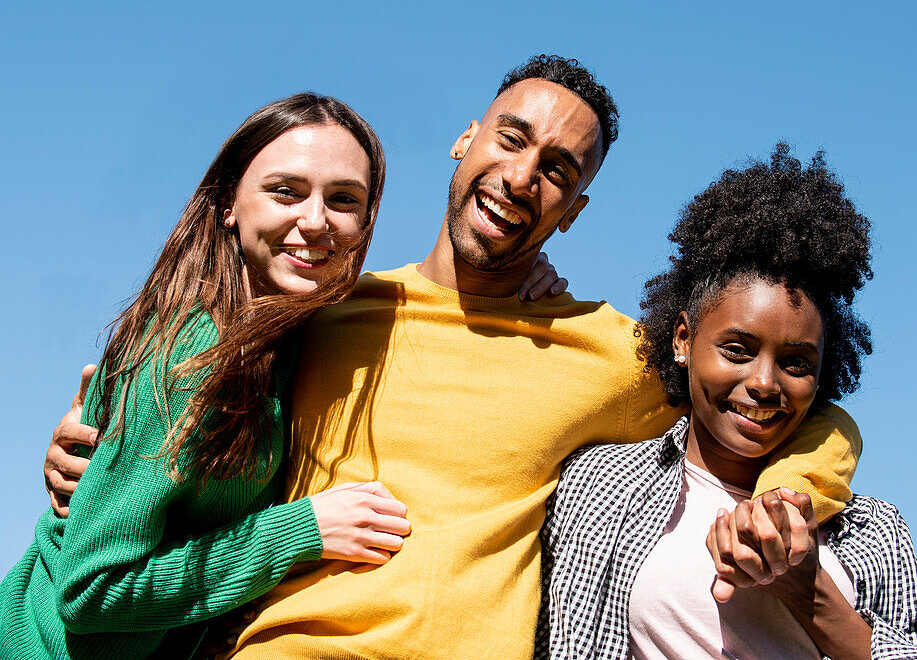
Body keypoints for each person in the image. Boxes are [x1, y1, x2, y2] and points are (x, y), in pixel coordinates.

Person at [44, 57, 863, 660]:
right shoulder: (323, 313)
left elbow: (790, 403)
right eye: (511, 139)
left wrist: (786, 501)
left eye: (556, 172)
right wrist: (87, 448)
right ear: (465, 139)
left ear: (571, 213)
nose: (520, 176)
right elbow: (185, 441)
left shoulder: (611, 351)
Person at [1, 93, 411, 660]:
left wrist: (535, 274)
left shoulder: (295, 340)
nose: (315, 221)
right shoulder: (186, 356)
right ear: (228, 203)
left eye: (344, 200)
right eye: (286, 191)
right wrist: (301, 531)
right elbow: (91, 591)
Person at [537, 145, 917, 659]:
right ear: (683, 340)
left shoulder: (873, 531)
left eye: (797, 363)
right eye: (738, 349)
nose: (764, 383)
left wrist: (808, 588)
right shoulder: (601, 483)